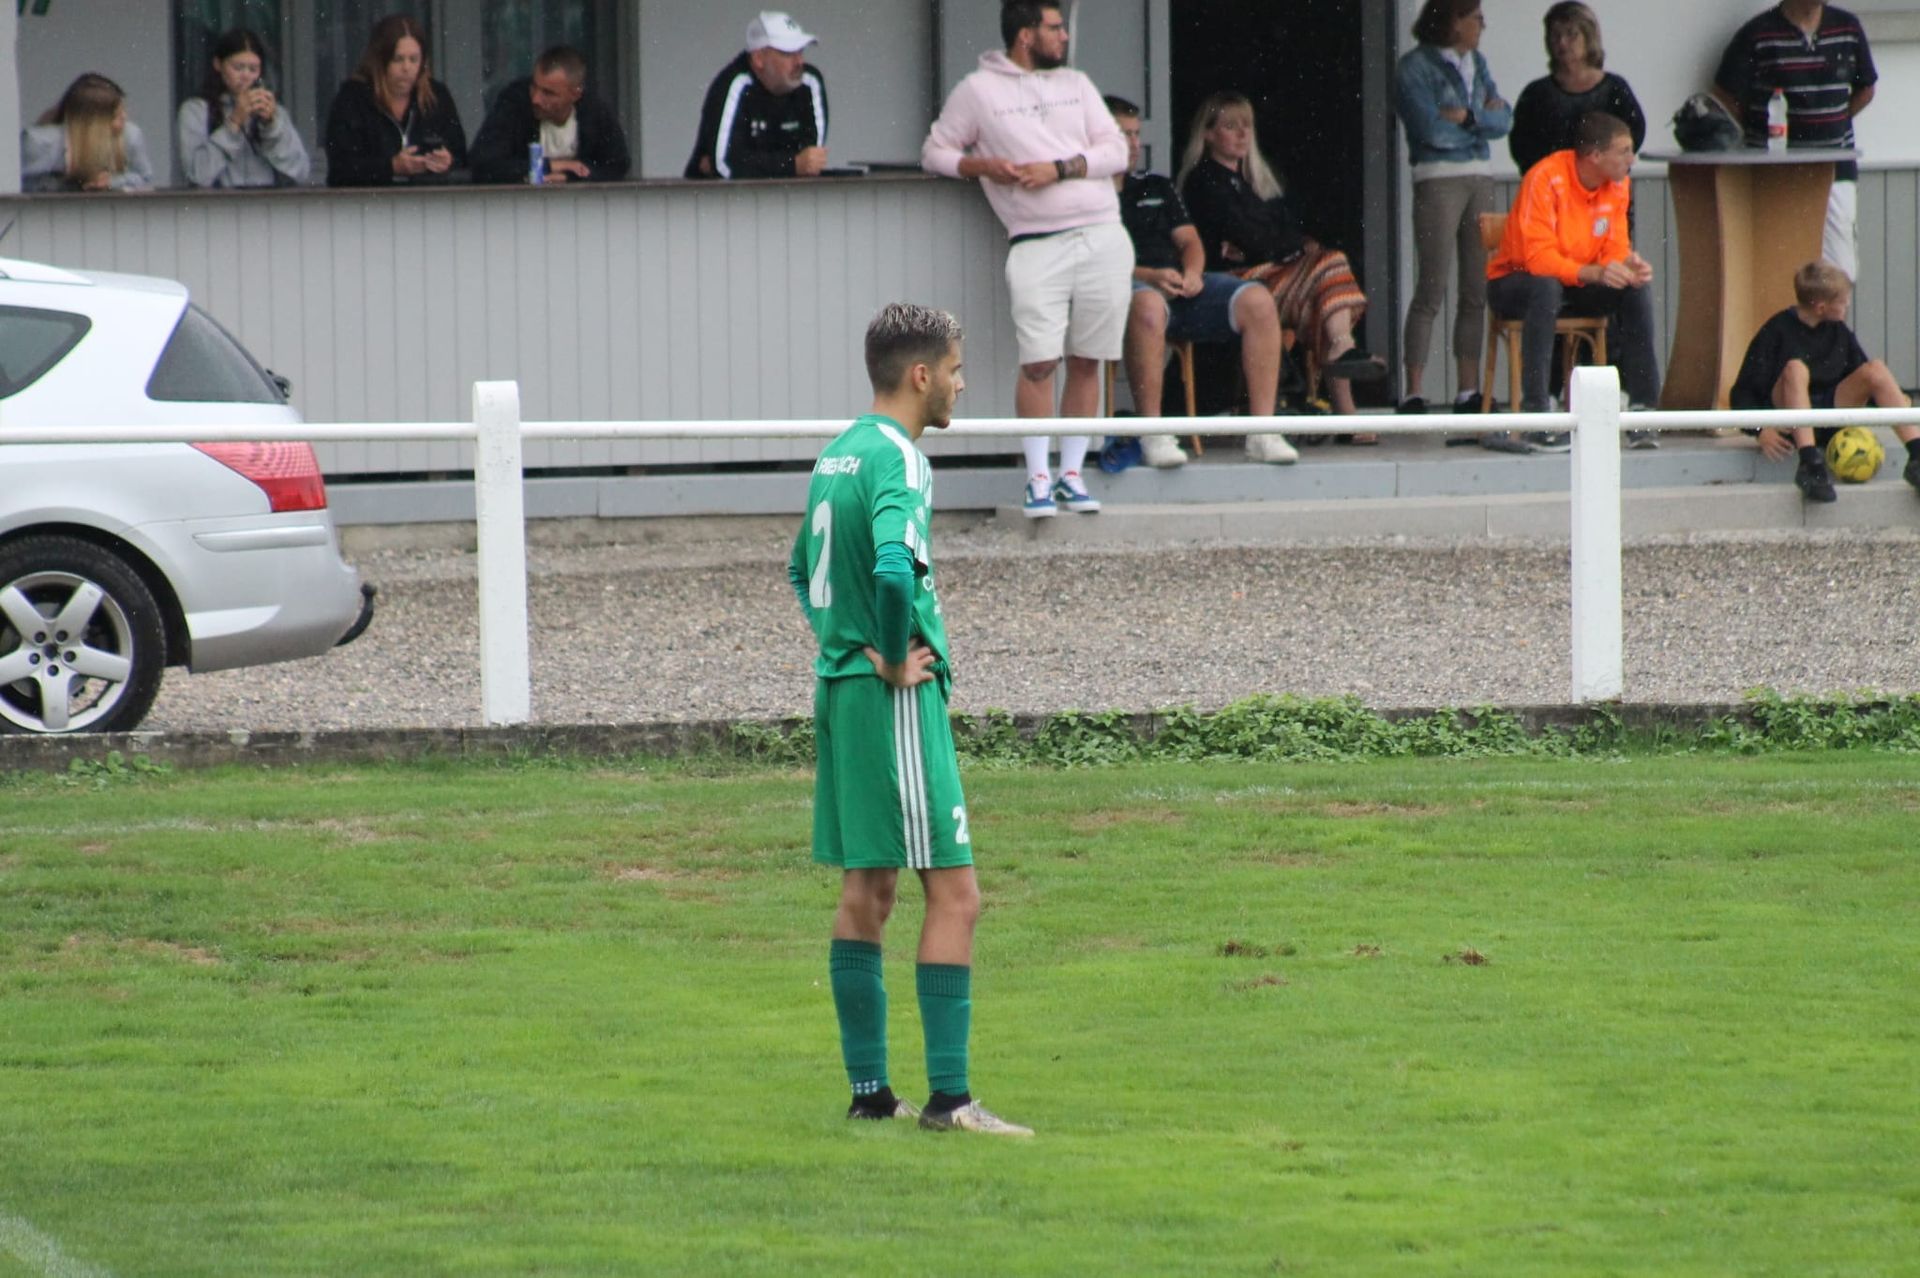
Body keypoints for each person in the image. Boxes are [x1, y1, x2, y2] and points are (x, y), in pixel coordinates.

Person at [786, 301, 1032, 1138]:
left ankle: (868, 1093)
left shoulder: (837, 455)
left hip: (841, 691)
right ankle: (951, 1100)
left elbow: (799, 568)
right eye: (958, 369)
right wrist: (888, 657)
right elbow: (894, 571)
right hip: (890, 696)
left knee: (869, 887)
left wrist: (842, 647)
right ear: (921, 375)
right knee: (956, 893)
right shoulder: (903, 460)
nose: (963, 384)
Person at [922, 1, 1130, 517]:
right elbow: (935, 151)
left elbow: (1116, 151)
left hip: (1103, 232)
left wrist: (1060, 168)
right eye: (1054, 28)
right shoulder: (978, 89)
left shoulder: (1077, 84)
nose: (1063, 37)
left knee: (1089, 358)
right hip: (1035, 241)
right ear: (1025, 35)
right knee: (1039, 361)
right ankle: (1037, 478)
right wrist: (980, 164)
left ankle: (1072, 476)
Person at [1177, 91, 1387, 441]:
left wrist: (1273, 244)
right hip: (1231, 284)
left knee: (1325, 291)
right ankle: (1345, 388)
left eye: (1247, 125)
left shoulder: (1255, 181)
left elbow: (1282, 233)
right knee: (1330, 267)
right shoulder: (1204, 181)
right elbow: (1256, 237)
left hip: (1269, 276)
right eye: (1231, 126)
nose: (1243, 134)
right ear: (1209, 134)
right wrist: (1278, 246)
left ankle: (1343, 363)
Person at [1105, 95, 1294, 469]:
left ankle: (1263, 431)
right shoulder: (1088, 193)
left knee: (1256, 299)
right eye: (1121, 134)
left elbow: (1190, 241)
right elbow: (1100, 259)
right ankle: (1152, 433)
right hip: (1127, 289)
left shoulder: (1156, 185)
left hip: (1179, 287)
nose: (1131, 144)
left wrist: (1192, 274)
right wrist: (1149, 276)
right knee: (1148, 305)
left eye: (1135, 134)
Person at [1486, 111, 1661, 450]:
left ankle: (1643, 410)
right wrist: (1594, 272)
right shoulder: (1546, 178)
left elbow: (1614, 244)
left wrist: (1627, 265)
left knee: (1634, 289)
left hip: (1573, 282)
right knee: (1545, 286)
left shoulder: (1619, 183)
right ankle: (1539, 414)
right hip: (1515, 282)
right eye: (1623, 150)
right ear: (1595, 156)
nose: (1631, 158)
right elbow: (1538, 260)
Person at [1393, 0, 1509, 427]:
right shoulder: (1414, 67)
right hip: (1437, 178)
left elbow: (1503, 120)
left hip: (1480, 176)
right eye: (1475, 17)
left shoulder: (1477, 62)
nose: (1482, 25)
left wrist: (1468, 118)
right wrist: (1476, 124)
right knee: (1432, 284)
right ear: (1454, 20)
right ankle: (1413, 390)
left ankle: (1468, 388)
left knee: (1476, 286)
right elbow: (1427, 129)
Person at [1730, 260, 1920, 503]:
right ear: (1821, 307)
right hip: (1791, 421)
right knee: (1796, 369)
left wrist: (1895, 398)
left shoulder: (1838, 331)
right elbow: (1742, 393)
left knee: (1876, 369)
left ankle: (1916, 455)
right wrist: (1759, 430)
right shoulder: (1776, 331)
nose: (1847, 305)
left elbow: (1862, 373)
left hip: (1830, 413)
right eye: (1842, 301)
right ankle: (1810, 464)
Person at [1713, 1, 1876, 281]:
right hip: (1776, 170)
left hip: (1835, 166)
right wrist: (1759, 128)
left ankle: (1831, 325)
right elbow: (1726, 92)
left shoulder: (1848, 27)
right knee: (1781, 264)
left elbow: (1866, 88)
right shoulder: (1758, 33)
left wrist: (1834, 121)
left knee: (1839, 269)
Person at [324, 13, 467, 187]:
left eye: (414, 60)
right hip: (368, 206)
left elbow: (463, 158)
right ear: (380, 61)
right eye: (398, 59)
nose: (406, 68)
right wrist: (391, 167)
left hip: (428, 206)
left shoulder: (437, 96)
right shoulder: (353, 99)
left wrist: (448, 161)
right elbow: (340, 170)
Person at [685, 11, 829, 179]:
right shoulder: (735, 84)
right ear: (759, 58)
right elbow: (725, 164)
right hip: (720, 202)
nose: (799, 62)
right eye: (788, 53)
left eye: (800, 51)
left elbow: (811, 162)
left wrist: (752, 163)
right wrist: (792, 164)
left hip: (788, 199)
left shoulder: (809, 82)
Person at [1508, 2, 1645, 178]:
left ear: (1589, 37)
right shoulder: (1536, 94)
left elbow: (1634, 134)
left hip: (1604, 188)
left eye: (1571, 35)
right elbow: (1521, 147)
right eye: (1555, 35)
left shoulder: (1615, 89)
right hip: (1553, 191)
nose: (1562, 43)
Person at [470, 45, 630, 184]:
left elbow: (617, 166)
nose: (536, 99)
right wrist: (552, 166)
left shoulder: (595, 112)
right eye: (534, 87)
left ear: (575, 94)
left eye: (548, 93)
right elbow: (483, 164)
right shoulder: (515, 103)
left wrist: (569, 177)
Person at [177, 29, 311, 188]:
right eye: (238, 67)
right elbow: (197, 176)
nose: (246, 76)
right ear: (218, 64)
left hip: (266, 206)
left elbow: (301, 172)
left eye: (253, 69)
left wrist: (272, 128)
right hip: (217, 207)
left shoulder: (276, 112)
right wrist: (234, 123)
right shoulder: (195, 111)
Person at [21, 73, 154, 192]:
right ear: (91, 124)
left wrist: (112, 182)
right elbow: (21, 183)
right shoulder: (39, 142)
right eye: (115, 115)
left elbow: (145, 178)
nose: (125, 117)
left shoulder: (130, 135)